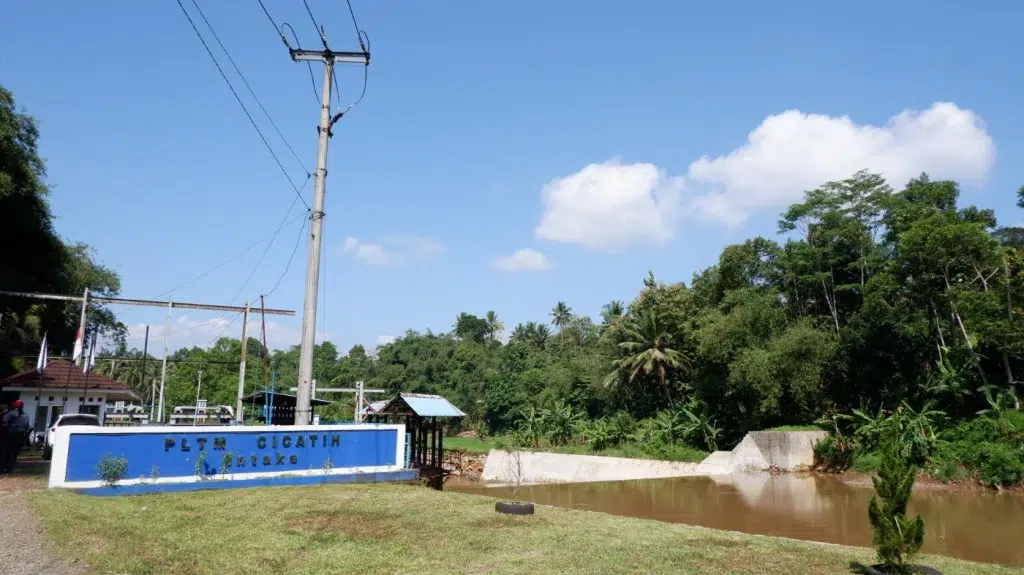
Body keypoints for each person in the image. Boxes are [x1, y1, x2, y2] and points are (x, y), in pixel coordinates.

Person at [2, 400, 30, 473]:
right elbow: (27, 427)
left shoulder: (10, 414)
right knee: (15, 453)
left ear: (14, 406)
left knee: (7, 451)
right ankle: (11, 468)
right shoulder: (26, 415)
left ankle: (5, 467)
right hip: (20, 435)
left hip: (11, 435)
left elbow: (4, 423)